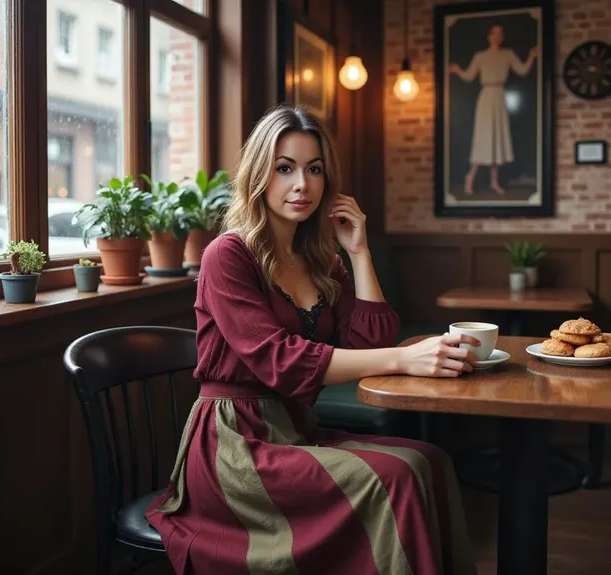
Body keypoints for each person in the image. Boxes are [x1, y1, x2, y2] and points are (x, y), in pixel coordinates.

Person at [146, 104, 480, 575]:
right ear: (260, 174)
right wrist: (405, 359)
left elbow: (367, 344)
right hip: (236, 448)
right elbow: (281, 361)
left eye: (314, 169)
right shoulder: (227, 255)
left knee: (431, 461)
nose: (301, 184)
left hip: (295, 429)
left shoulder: (320, 261)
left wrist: (359, 252)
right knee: (399, 476)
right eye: (285, 168)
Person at [449, 24, 538, 196]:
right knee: (483, 138)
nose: (496, 37)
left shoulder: (508, 54)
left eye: (499, 34)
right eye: (493, 33)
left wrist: (532, 56)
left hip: (499, 96)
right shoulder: (480, 56)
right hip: (486, 97)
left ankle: (494, 182)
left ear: (502, 37)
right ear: (488, 36)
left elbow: (523, 70)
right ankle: (470, 177)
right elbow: (469, 76)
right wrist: (457, 70)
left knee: (497, 139)